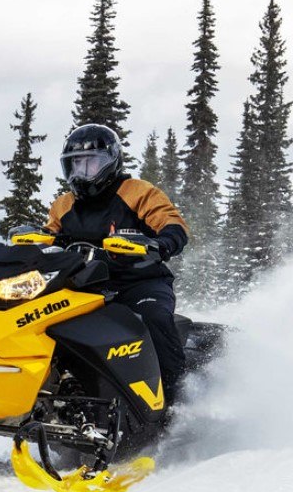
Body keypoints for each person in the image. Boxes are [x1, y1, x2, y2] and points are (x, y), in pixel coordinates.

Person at [45, 123, 189, 398]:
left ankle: (177, 400)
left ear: (111, 162)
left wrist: (161, 243)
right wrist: (30, 239)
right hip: (83, 285)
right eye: (76, 165)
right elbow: (48, 234)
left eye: (90, 164)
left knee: (154, 317)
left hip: (138, 282)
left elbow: (172, 223)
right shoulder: (63, 205)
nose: (82, 173)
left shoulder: (137, 192)